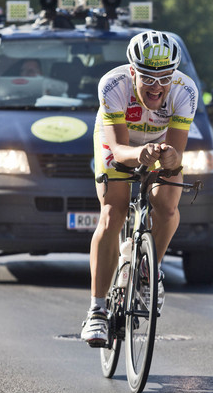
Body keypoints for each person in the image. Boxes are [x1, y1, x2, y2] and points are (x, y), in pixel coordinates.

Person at [80, 30, 198, 347]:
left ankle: (149, 273)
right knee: (112, 212)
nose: (157, 86)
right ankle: (97, 311)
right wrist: (137, 155)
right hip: (119, 141)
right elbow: (117, 149)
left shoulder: (185, 91)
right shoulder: (113, 85)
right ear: (133, 71)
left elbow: (175, 152)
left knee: (168, 205)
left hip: (158, 143)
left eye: (165, 78)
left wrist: (170, 158)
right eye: (147, 77)